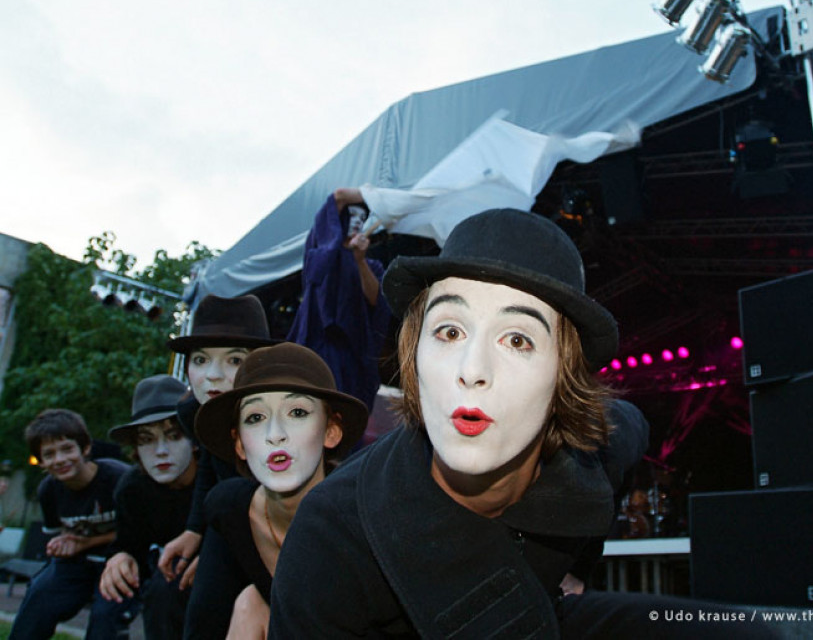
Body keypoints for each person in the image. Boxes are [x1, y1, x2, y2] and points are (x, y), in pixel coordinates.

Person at [271, 208, 772, 638]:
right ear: (414, 354)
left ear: (563, 378)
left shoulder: (601, 449)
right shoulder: (333, 535)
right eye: (449, 330)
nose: (472, 370)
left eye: (518, 340)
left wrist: (574, 568)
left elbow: (630, 424)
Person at [193, 341, 368, 637]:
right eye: (256, 417)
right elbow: (202, 623)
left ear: (331, 430)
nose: (275, 435)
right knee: (250, 604)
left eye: (297, 412)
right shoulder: (229, 509)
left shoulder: (366, 519)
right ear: (239, 444)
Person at [155, 293, 276, 638]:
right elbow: (211, 465)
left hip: (292, 538)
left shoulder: (284, 415)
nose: (213, 375)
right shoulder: (197, 411)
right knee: (180, 598)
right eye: (200, 359)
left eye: (234, 360)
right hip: (230, 528)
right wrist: (194, 530)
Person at [11, 409, 134, 640]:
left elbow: (141, 532)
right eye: (49, 454)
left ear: (85, 448)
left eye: (67, 449)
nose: (60, 460)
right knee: (39, 595)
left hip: (121, 558)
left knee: (105, 616)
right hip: (78, 562)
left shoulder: (120, 479)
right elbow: (64, 532)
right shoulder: (48, 490)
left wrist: (85, 542)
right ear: (41, 461)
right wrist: (63, 542)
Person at [99, 375, 197, 640]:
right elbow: (130, 543)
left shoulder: (216, 476)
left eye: (173, 436)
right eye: (146, 439)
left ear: (193, 438)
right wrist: (120, 557)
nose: (161, 451)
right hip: (168, 575)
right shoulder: (132, 488)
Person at [286, 188, 391, 412]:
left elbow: (377, 301)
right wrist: (382, 197)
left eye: (363, 218)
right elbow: (338, 197)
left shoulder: (372, 266)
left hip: (351, 356)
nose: (358, 222)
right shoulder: (320, 251)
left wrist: (360, 261)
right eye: (353, 215)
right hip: (314, 347)